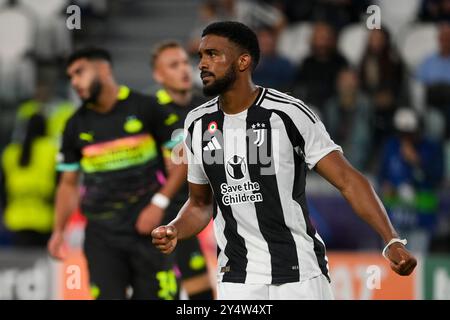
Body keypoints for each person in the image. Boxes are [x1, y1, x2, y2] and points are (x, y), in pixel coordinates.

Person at [151, 21, 417, 300]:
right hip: (237, 279)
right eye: (201, 56)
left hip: (298, 276)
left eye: (213, 54)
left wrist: (391, 240)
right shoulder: (197, 122)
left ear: (243, 62)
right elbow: (200, 204)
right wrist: (175, 229)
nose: (203, 64)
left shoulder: (288, 114)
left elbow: (348, 180)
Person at [47, 47, 186, 300]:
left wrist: (159, 203)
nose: (75, 82)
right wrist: (59, 230)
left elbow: (182, 161)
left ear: (103, 69)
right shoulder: (74, 125)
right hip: (102, 238)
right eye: (70, 77)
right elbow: (68, 184)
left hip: (150, 232)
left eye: (79, 72)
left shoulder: (146, 107)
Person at [150, 41, 214, 299]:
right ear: (158, 75)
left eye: (184, 63)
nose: (184, 70)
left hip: (196, 212)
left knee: (202, 295)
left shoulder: (207, 106)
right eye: (173, 65)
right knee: (166, 293)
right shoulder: (149, 111)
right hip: (163, 216)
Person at [379, 108, 444, 253]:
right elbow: (382, 176)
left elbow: (438, 177)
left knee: (416, 259)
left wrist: (417, 161)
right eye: (402, 133)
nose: (406, 138)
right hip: (394, 217)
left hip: (421, 216)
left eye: (409, 133)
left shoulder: (431, 148)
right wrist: (386, 186)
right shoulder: (391, 146)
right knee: (392, 258)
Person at [1, 113, 57, 247]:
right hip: (44, 217)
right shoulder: (51, 150)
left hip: (16, 219)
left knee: (20, 264)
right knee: (42, 265)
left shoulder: (10, 152)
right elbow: (60, 183)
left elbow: (3, 188)